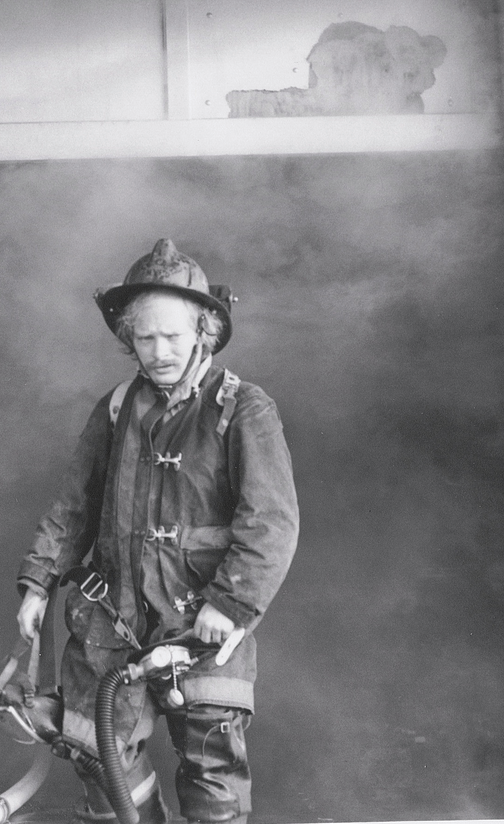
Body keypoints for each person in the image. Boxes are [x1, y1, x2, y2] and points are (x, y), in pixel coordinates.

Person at [15, 239, 299, 824]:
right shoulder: (115, 409)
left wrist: (231, 603)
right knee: (99, 759)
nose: (160, 351)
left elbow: (270, 521)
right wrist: (38, 582)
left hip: (201, 628)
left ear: (203, 331)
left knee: (212, 772)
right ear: (129, 338)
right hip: (110, 623)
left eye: (172, 335)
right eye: (145, 338)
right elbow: (74, 505)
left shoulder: (244, 409)